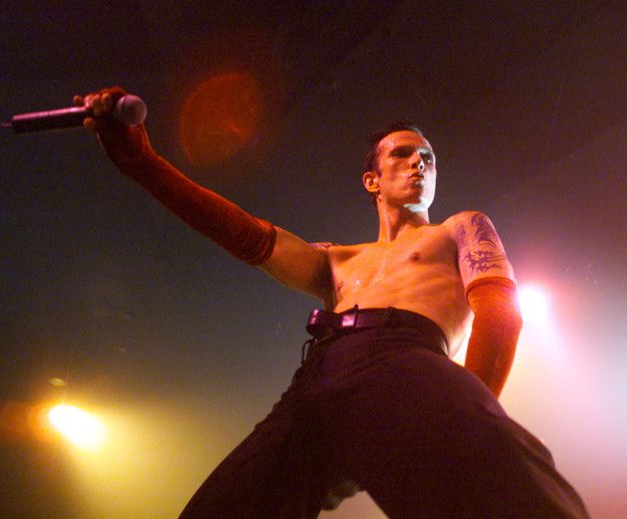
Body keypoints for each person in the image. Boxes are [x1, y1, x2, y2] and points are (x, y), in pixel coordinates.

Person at [75, 86, 590, 518]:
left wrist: (474, 414)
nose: (420, 162)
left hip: (406, 358)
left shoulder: (460, 227)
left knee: (513, 494)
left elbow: (501, 315)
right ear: (372, 180)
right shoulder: (338, 259)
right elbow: (245, 235)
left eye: (429, 158)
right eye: (402, 153)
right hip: (318, 375)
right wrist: (143, 164)